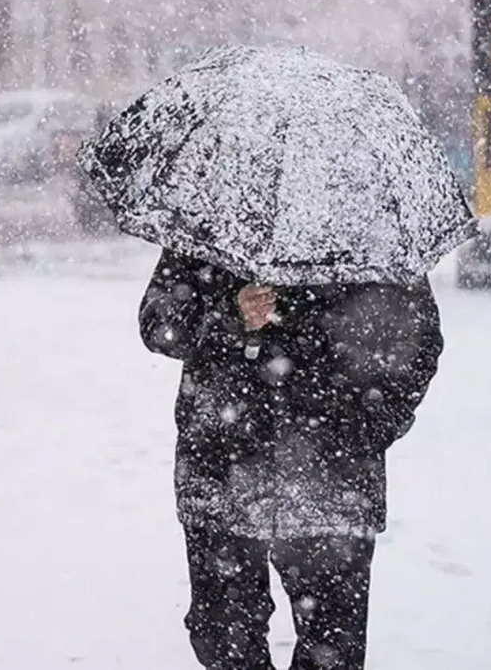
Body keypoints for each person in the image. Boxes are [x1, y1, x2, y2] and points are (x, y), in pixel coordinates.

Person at [139, 250, 444, 670]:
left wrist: (366, 428)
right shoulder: (216, 218)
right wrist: (230, 313)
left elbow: (418, 340)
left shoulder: (369, 228)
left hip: (333, 480)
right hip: (222, 468)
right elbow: (159, 324)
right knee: (222, 636)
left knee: (333, 650)